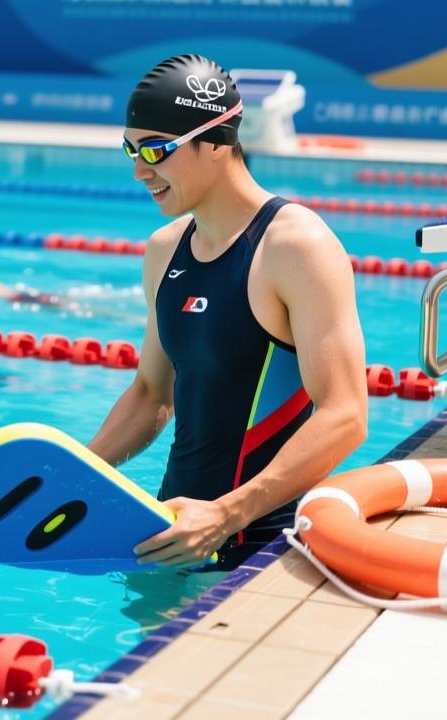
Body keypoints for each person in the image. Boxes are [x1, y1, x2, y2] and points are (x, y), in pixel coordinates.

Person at [86, 54, 367, 571]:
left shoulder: (294, 245)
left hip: (268, 548)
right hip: (170, 533)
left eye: (155, 149)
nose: (138, 169)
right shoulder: (164, 249)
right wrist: (75, 473)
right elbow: (152, 394)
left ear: (215, 142)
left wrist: (226, 514)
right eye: (131, 148)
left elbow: (345, 414)